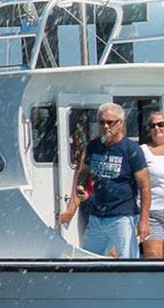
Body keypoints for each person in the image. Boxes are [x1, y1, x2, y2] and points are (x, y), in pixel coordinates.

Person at [59, 103, 151, 258]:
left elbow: (145, 186)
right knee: (88, 260)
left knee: (129, 262)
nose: (105, 126)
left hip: (123, 216)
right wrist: (80, 189)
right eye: (102, 122)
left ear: (120, 123)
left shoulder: (131, 149)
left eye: (110, 122)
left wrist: (144, 221)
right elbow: (84, 173)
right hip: (96, 216)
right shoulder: (93, 146)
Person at [143, 112, 164, 259]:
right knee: (153, 257)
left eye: (161, 124)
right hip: (152, 212)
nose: (157, 128)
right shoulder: (142, 151)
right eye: (152, 126)